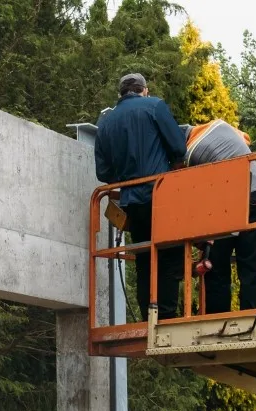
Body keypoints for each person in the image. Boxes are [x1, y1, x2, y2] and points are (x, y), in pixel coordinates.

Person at [94, 73, 187, 320]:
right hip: (161, 195)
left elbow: (103, 172)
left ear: (121, 94)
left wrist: (126, 179)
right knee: (169, 254)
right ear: (144, 90)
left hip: (131, 203)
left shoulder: (106, 121)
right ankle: (166, 316)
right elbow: (179, 148)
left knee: (145, 257)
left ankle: (150, 317)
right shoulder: (154, 106)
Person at [180, 120, 256, 314]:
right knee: (251, 265)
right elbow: (245, 140)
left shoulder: (192, 150)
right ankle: (253, 315)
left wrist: (203, 237)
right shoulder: (220, 127)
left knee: (216, 267)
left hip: (231, 201)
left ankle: (218, 318)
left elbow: (195, 192)